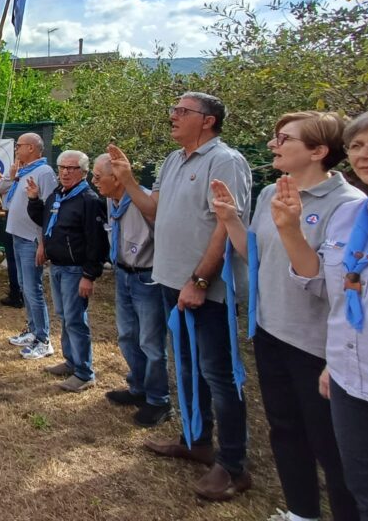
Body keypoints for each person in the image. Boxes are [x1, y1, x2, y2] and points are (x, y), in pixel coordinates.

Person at [210, 112, 362, 521]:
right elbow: (253, 257)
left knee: (330, 445)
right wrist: (230, 219)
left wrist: (293, 228)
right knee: (284, 429)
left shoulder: (348, 207)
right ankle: (301, 513)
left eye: (284, 138)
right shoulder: (269, 194)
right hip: (271, 330)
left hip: (317, 344)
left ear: (318, 151)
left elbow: (325, 281)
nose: (274, 145)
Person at [109, 92, 253, 502]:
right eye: (173, 110)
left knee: (220, 377)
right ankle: (196, 440)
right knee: (187, 368)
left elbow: (227, 226)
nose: (172, 116)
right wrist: (129, 179)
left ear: (207, 121)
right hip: (172, 283)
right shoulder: (174, 160)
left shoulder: (226, 161)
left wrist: (201, 281)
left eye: (181, 111)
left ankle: (233, 466)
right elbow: (153, 209)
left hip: (208, 289)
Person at [272, 107, 368, 519]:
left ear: (320, 151)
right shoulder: (355, 217)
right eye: (357, 145)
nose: (366, 153)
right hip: (351, 375)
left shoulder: (343, 203)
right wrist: (289, 231)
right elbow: (326, 286)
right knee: (366, 490)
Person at [91, 153, 171, 427]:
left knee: (151, 342)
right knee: (127, 336)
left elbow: (166, 236)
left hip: (147, 279)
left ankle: (159, 400)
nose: (94, 181)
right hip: (123, 275)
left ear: (117, 178)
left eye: (97, 177)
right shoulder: (110, 199)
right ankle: (138, 387)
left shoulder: (145, 201)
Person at [27, 150, 107, 392]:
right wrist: (33, 200)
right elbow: (43, 219)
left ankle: (84, 373)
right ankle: (71, 361)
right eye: (62, 167)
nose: (65, 172)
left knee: (75, 320)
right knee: (64, 316)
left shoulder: (89, 200)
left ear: (84, 173)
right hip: (58, 266)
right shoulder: (58, 194)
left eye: (71, 168)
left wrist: (89, 275)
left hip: (75, 270)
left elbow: (97, 242)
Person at [0, 132, 58, 360]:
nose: (17, 149)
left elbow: (49, 209)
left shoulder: (45, 173)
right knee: (24, 285)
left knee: (33, 289)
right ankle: (32, 331)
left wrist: (43, 243)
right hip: (18, 236)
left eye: (19, 145)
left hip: (32, 240)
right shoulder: (24, 172)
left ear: (31, 148)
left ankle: (44, 340)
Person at [0, 157, 23, 308]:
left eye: (19, 149)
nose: (16, 153)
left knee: (13, 257)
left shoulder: (18, 171)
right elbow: (7, 183)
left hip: (14, 216)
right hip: (23, 217)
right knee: (20, 257)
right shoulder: (33, 171)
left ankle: (16, 294)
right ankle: (21, 292)